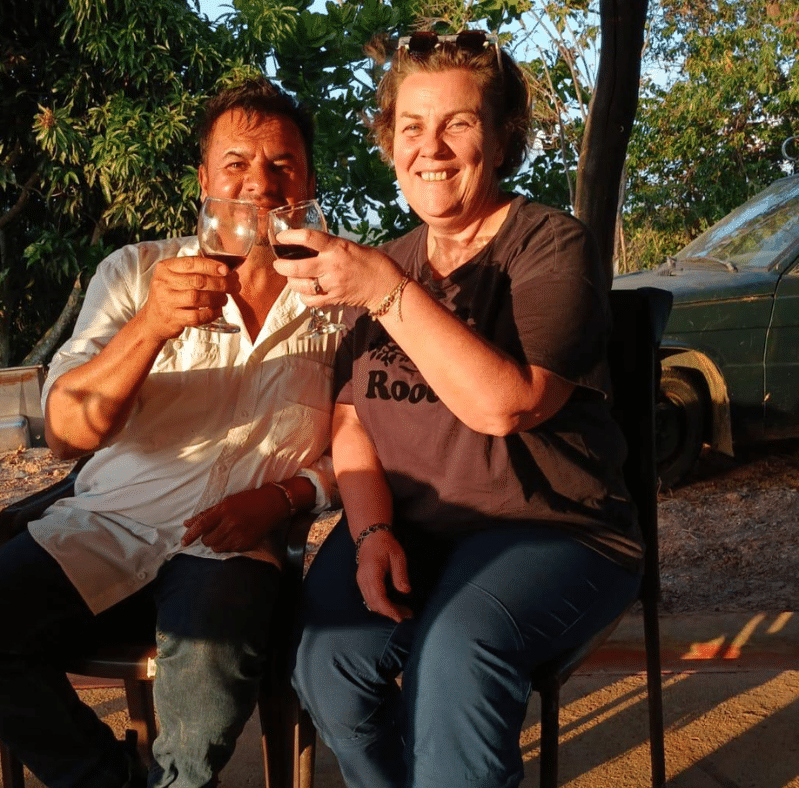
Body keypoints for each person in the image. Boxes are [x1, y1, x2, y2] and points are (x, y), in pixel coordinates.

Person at [0, 77, 339, 788]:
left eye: (281, 166)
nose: (257, 185)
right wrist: (150, 325)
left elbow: (370, 438)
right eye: (236, 164)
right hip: (111, 521)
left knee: (204, 698)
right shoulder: (136, 272)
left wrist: (288, 497)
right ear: (204, 180)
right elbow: (65, 434)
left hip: (235, 541)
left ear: (308, 182)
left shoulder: (343, 293)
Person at [275, 32, 643, 788]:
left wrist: (382, 292)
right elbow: (350, 423)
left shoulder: (549, 247)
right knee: (327, 661)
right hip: (416, 527)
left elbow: (507, 406)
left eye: (460, 124)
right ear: (388, 142)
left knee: (457, 649)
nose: (431, 148)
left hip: (553, 528)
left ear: (504, 139)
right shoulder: (390, 260)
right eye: (411, 126)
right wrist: (370, 530)